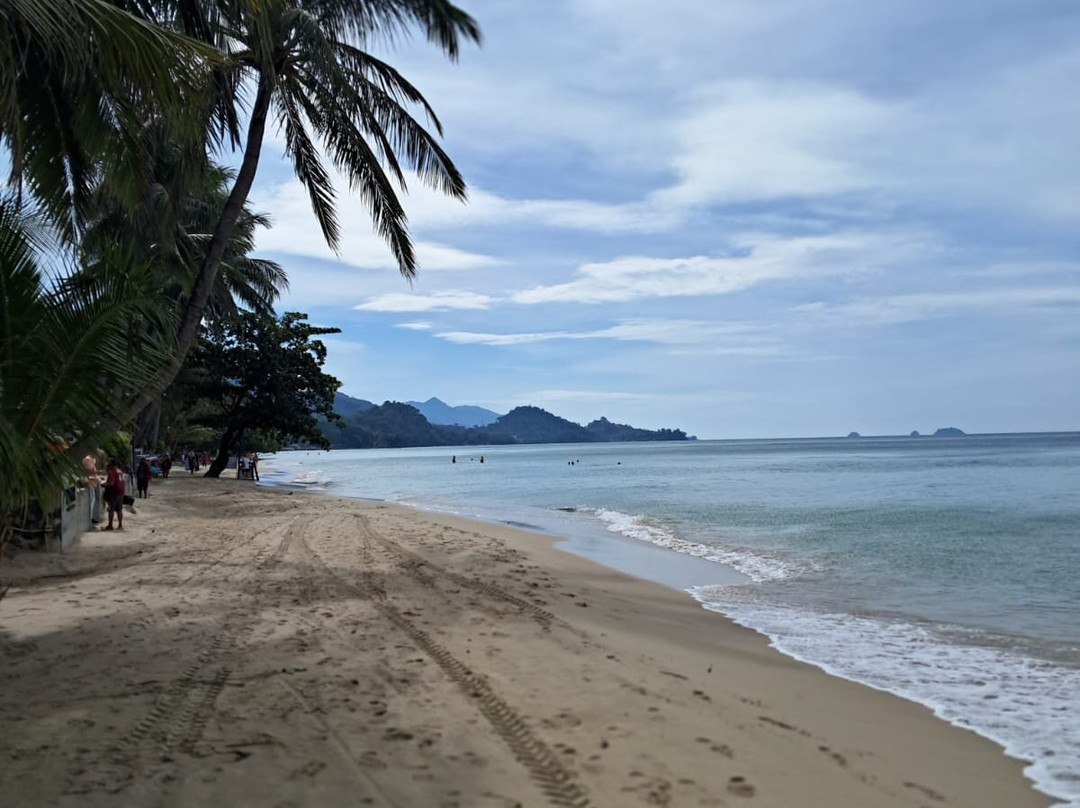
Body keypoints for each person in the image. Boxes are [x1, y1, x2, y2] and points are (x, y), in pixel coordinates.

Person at [103, 459, 125, 531]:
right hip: (121, 492)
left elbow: (111, 483)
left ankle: (110, 526)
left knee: (111, 509)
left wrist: (103, 484)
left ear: (111, 464)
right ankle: (120, 525)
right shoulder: (119, 470)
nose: (107, 464)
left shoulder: (111, 471)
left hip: (114, 492)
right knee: (119, 509)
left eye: (108, 463)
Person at [81, 452, 102, 524]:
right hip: (89, 482)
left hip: (92, 482)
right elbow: (90, 471)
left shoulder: (92, 460)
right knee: (91, 500)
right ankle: (89, 518)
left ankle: (91, 517)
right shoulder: (88, 460)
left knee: (93, 500)